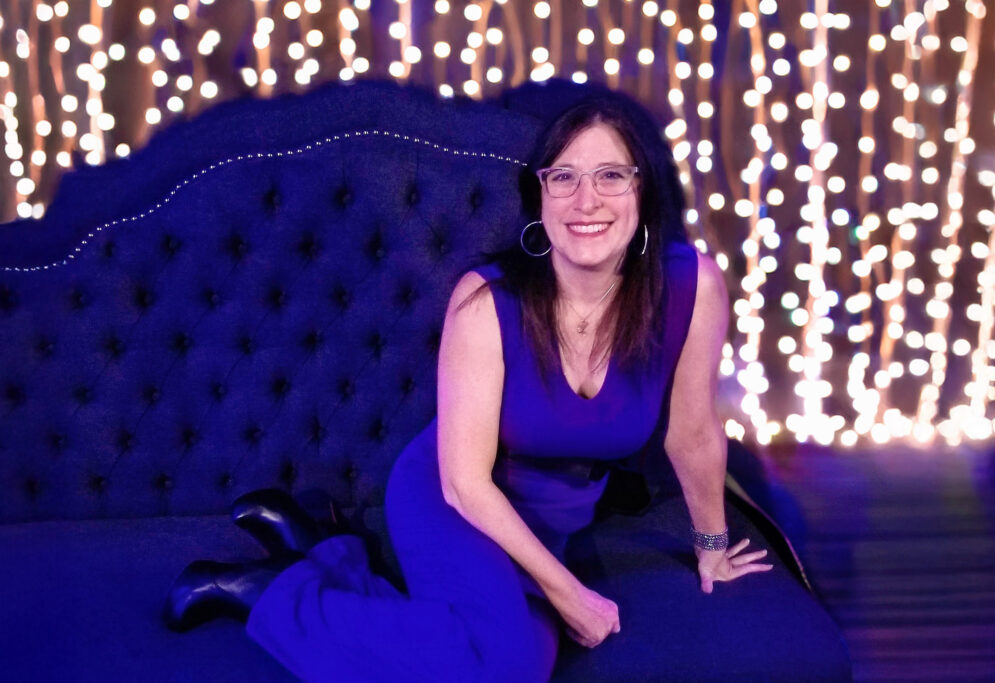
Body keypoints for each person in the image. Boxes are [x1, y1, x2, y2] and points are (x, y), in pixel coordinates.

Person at [163, 95, 773, 681]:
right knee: (506, 668)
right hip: (455, 497)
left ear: (642, 190)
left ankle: (328, 558)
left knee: (496, 657)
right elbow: (464, 483)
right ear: (540, 195)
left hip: (551, 521)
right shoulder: (486, 300)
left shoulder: (692, 288)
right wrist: (570, 592)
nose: (587, 200)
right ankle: (266, 591)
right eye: (563, 177)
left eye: (611, 175)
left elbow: (692, 434)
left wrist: (711, 546)